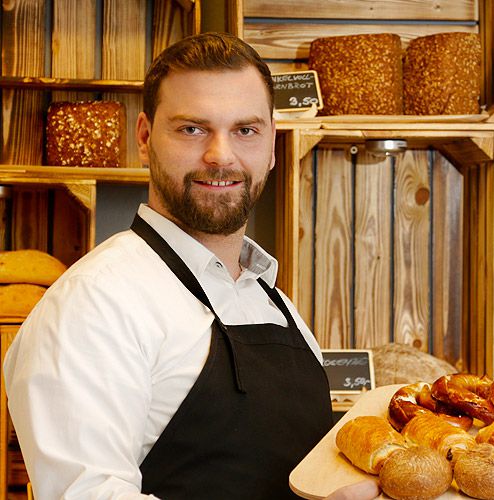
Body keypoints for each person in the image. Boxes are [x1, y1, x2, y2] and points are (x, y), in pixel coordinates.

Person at [4, 33, 379, 500]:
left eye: (246, 130)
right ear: (145, 138)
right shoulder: (96, 302)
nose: (220, 155)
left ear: (272, 146)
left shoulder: (272, 300)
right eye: (192, 129)